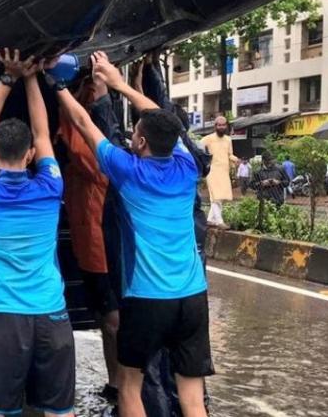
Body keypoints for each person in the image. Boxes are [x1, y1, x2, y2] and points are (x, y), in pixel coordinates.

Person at [57, 51, 213, 417]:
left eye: (135, 135)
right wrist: (121, 84)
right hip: (192, 297)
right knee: (192, 399)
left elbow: (82, 122)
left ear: (140, 143)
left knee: (129, 387)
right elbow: (166, 123)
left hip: (147, 299)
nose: (131, 137)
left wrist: (55, 83)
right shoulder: (186, 166)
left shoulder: (127, 171)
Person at [0, 48, 75, 417]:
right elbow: (43, 133)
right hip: (52, 317)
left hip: (2, 318)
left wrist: (7, 77)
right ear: (30, 155)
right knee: (61, 412)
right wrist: (31, 79)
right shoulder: (49, 187)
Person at [58, 75, 120, 404]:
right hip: (90, 251)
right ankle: (117, 384)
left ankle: (125, 388)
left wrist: (59, 89)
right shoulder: (91, 163)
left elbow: (75, 129)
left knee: (111, 320)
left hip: (100, 253)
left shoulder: (97, 161)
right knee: (106, 319)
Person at [201, 116, 238, 226]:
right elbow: (198, 148)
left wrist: (236, 160)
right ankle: (220, 221)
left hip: (224, 171)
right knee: (215, 196)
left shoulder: (228, 139)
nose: (221, 127)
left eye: (223, 125)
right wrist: (204, 160)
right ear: (215, 126)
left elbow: (229, 154)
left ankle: (210, 220)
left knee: (220, 197)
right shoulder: (208, 138)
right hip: (212, 171)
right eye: (219, 125)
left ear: (226, 126)